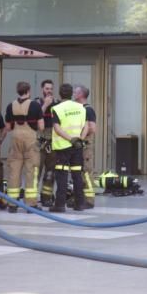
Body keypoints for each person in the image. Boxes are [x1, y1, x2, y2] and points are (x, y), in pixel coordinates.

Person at [3, 81, 43, 212]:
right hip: (30, 141)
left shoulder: (10, 106)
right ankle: (30, 204)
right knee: (31, 171)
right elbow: (41, 126)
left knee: (14, 171)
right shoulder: (35, 106)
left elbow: (8, 127)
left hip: (15, 140)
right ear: (29, 91)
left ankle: (12, 204)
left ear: (17, 91)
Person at [48, 83, 88, 213]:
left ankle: (60, 205)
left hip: (63, 147)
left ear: (60, 94)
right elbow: (86, 126)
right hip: (77, 146)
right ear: (71, 94)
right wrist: (80, 139)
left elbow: (57, 128)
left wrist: (70, 139)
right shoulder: (81, 107)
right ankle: (80, 203)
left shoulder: (57, 108)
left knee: (62, 175)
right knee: (77, 175)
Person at [32, 80, 59, 205]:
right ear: (42, 89)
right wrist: (45, 105)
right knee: (36, 171)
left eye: (51, 88)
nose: (49, 91)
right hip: (39, 141)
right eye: (47, 88)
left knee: (50, 172)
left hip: (52, 142)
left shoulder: (57, 103)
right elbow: (34, 120)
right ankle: (32, 199)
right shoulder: (37, 103)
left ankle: (46, 197)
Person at [73, 84, 96, 209]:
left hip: (85, 146)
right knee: (78, 173)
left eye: (75, 92)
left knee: (86, 172)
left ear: (81, 94)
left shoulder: (88, 109)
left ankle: (89, 200)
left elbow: (92, 128)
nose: (73, 94)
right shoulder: (77, 109)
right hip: (77, 145)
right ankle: (79, 197)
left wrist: (81, 135)